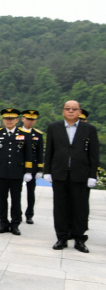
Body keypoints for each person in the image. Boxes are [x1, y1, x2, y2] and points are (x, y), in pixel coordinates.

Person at [44, 100, 99, 253]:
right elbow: (49, 150)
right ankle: (61, 237)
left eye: (74, 109)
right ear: (63, 111)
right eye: (67, 109)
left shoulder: (89, 129)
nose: (70, 111)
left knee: (80, 208)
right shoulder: (54, 127)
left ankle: (79, 239)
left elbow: (94, 155)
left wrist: (92, 175)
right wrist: (47, 171)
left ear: (79, 112)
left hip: (80, 174)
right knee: (60, 207)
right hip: (60, 173)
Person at [0, 109, 33, 236]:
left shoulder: (25, 134)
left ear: (17, 120)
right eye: (6, 119)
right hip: (1, 172)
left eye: (11, 119)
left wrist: (28, 171)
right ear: (3, 120)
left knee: (16, 200)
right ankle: (3, 223)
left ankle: (15, 224)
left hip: (17, 172)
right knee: (2, 200)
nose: (9, 121)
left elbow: (28, 155)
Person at [21, 110, 44, 224]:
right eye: (27, 119)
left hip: (33, 167)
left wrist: (40, 169)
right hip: (18, 166)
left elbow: (40, 153)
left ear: (35, 121)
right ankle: (17, 213)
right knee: (16, 192)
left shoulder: (38, 134)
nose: (29, 121)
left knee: (31, 192)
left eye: (32, 120)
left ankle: (29, 214)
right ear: (23, 119)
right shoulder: (18, 132)